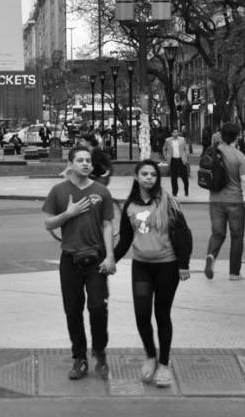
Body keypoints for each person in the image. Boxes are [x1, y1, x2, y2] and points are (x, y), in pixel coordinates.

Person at [114, 160, 192, 387]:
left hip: (167, 267)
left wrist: (183, 264)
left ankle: (164, 364)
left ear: (157, 178)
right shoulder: (130, 205)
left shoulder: (168, 203)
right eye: (144, 174)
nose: (149, 177)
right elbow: (125, 240)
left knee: (162, 314)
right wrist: (110, 261)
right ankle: (150, 356)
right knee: (141, 314)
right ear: (137, 177)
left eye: (153, 174)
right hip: (142, 269)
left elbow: (184, 234)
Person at [42, 146, 115, 381]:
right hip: (70, 260)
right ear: (70, 164)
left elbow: (107, 225)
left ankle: (100, 352)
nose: (85, 164)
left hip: (96, 260)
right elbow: (49, 223)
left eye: (88, 160)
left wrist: (110, 256)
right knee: (73, 311)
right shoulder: (59, 191)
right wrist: (69, 213)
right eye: (80, 160)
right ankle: (79, 358)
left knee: (97, 307)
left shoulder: (102, 191)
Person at [204, 121, 245, 281]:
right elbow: (244, 181)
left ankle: (211, 256)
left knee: (217, 233)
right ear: (237, 136)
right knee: (237, 236)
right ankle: (234, 273)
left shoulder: (213, 151)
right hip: (235, 201)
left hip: (215, 200)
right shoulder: (239, 156)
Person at [162, 127, 190, 197]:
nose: (176, 133)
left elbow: (186, 149)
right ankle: (175, 192)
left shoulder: (182, 139)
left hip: (181, 160)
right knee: (173, 178)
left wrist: (186, 157)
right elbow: (164, 149)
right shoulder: (168, 140)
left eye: (177, 132)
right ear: (171, 133)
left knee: (185, 177)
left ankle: (186, 190)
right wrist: (166, 157)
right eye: (174, 132)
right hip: (173, 160)